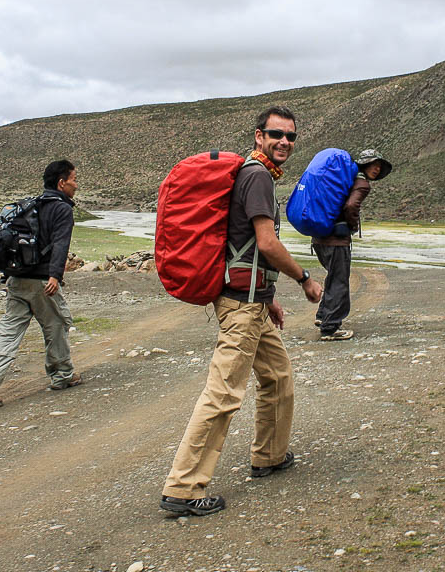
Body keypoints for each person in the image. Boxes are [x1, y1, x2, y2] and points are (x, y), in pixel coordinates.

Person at [160, 106, 324, 517]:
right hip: (241, 306)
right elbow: (266, 243)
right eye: (276, 134)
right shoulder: (257, 177)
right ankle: (183, 488)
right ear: (258, 136)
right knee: (223, 393)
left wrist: (269, 297)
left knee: (277, 377)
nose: (284, 142)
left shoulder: (255, 174)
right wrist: (304, 277)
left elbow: (244, 245)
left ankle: (269, 455)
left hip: (253, 300)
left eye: (290, 136)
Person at [0, 160, 83, 407]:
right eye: (74, 179)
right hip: (42, 282)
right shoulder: (62, 209)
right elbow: (61, 243)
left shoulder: (31, 205)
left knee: (9, 330)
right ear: (61, 182)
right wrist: (55, 276)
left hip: (17, 278)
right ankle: (62, 375)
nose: (76, 184)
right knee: (56, 325)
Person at [311, 149, 393, 341]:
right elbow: (350, 206)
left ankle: (323, 316)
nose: (377, 169)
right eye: (374, 165)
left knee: (333, 277)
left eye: (379, 167)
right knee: (339, 280)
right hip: (337, 241)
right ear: (365, 164)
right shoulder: (361, 183)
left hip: (318, 237)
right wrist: (352, 225)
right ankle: (330, 328)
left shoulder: (343, 180)